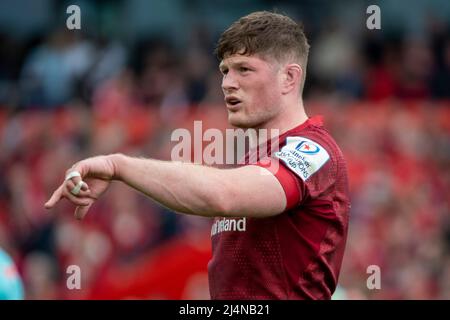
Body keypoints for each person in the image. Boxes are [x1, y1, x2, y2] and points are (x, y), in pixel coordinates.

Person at [45, 11, 350, 300]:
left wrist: (118, 166)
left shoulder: (314, 152)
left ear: (289, 78)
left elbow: (222, 195)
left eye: (244, 69)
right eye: (225, 70)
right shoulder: (253, 161)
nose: (228, 83)